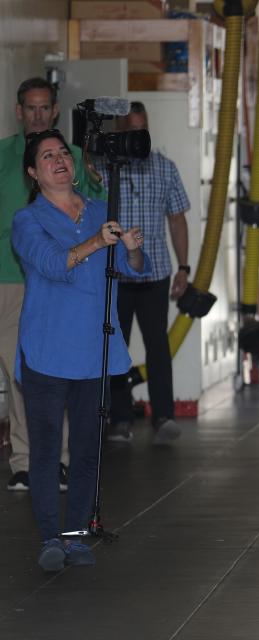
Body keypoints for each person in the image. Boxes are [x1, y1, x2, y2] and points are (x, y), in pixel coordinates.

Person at [12, 129, 150, 571]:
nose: (59, 160)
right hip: (48, 353)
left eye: (63, 153)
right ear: (34, 173)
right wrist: (97, 242)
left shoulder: (98, 211)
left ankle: (74, 538)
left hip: (95, 350)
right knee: (48, 450)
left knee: (89, 451)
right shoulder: (27, 221)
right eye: (46, 156)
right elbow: (54, 264)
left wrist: (131, 251)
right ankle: (50, 536)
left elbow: (130, 270)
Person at [0, 77, 102, 492]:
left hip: (65, 277)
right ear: (19, 110)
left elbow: (95, 206)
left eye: (46, 108)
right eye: (31, 108)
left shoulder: (75, 157)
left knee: (59, 369)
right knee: (19, 370)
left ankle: (58, 459)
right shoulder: (6, 156)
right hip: (11, 277)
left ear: (56, 111)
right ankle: (25, 461)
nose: (38, 115)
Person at [95, 102, 189, 445]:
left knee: (158, 346)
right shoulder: (102, 171)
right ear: (120, 130)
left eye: (143, 128)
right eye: (132, 129)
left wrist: (184, 267)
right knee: (116, 346)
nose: (139, 135)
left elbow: (177, 220)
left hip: (156, 274)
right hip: (116, 275)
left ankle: (163, 415)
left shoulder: (164, 168)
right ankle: (120, 417)